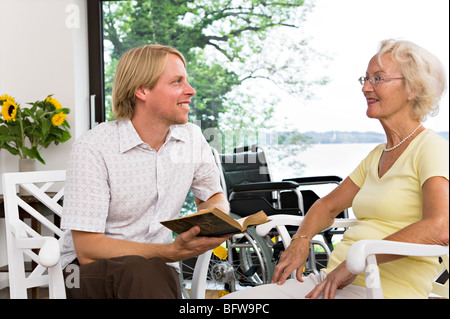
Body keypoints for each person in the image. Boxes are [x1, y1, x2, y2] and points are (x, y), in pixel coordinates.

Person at [224, 39, 449, 299]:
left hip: (381, 291)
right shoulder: (377, 155)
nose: (366, 87)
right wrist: (301, 240)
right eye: (365, 78)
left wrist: (357, 262)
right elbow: (326, 207)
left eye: (378, 78)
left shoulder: (431, 148)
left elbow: (440, 227)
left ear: (413, 88)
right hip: (329, 281)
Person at [60, 44, 231, 299]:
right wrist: (168, 252)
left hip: (157, 269)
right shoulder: (93, 148)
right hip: (86, 273)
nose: (190, 90)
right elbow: (87, 249)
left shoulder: (192, 138)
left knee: (150, 272)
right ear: (142, 90)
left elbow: (213, 196)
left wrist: (209, 221)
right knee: (141, 271)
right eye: (177, 82)